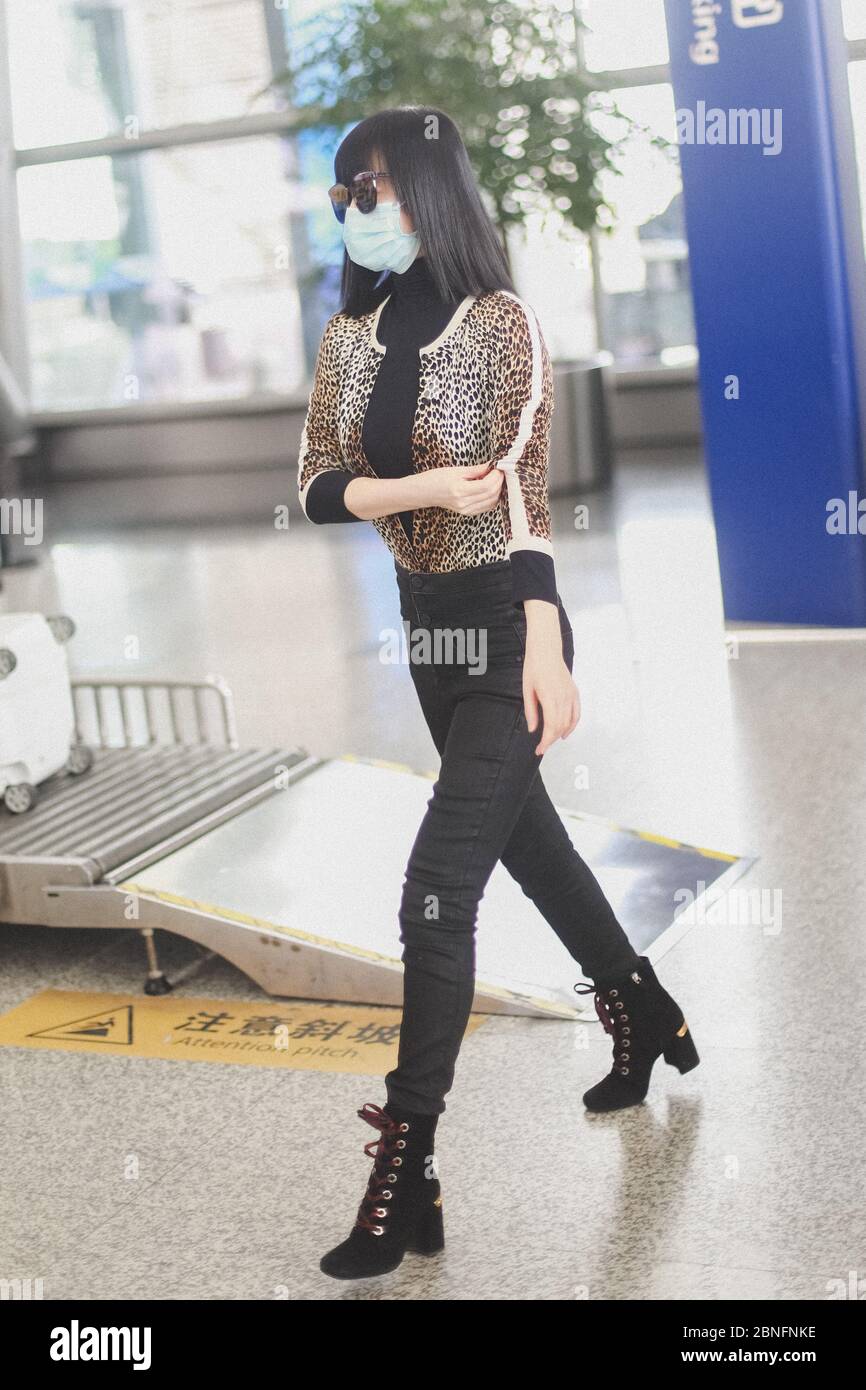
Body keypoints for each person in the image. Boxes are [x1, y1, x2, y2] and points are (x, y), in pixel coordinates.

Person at [297, 106, 699, 1282]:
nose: (356, 212)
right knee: (531, 850)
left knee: (437, 886)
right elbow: (318, 485)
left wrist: (544, 643)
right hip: (425, 635)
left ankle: (405, 1166)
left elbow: (522, 491)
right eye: (342, 197)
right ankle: (642, 1003)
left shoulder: (501, 322)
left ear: (428, 189)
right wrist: (413, 486)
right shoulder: (347, 339)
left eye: (370, 188)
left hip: (505, 625)